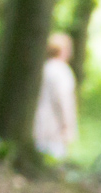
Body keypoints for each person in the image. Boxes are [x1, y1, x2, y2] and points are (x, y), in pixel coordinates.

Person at [34, 33, 79, 163]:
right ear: (64, 50)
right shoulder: (62, 71)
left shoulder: (44, 67)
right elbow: (64, 101)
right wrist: (67, 126)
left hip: (38, 125)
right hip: (54, 129)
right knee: (53, 162)